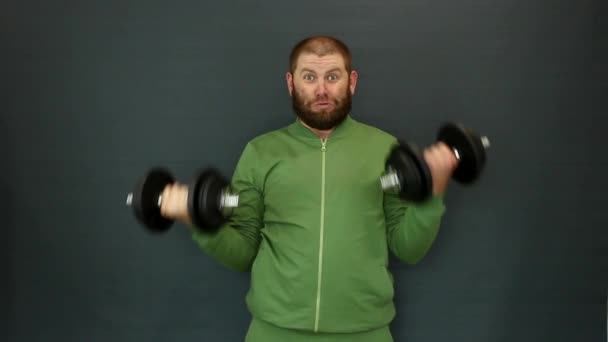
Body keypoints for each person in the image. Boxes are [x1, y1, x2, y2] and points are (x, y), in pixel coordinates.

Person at [160, 35, 458, 342]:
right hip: (274, 332)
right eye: (309, 77)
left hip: (364, 332)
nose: (321, 90)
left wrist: (434, 189)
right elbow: (242, 253)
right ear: (291, 83)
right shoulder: (260, 152)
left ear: (351, 81)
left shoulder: (386, 150)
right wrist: (195, 220)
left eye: (332, 77)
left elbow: (408, 248)